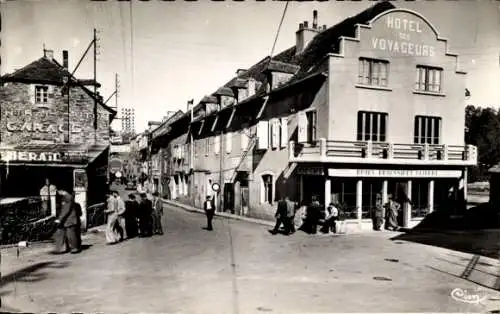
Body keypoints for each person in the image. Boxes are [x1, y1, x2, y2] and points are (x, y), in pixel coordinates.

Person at [52, 190, 81, 254]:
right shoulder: (65, 197)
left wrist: (59, 219)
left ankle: (74, 248)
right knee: (61, 234)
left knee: (71, 234)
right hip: (66, 220)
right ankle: (60, 249)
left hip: (69, 220)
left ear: (62, 190)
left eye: (58, 191)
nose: (57, 192)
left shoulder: (68, 197)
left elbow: (66, 210)